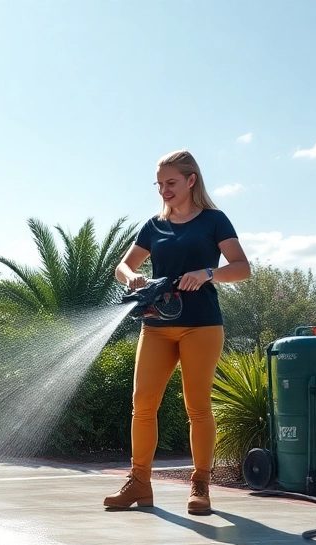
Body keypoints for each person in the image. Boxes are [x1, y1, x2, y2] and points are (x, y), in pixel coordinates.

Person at [104, 150, 251, 515]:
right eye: (159, 184)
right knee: (143, 405)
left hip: (201, 326)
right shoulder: (153, 226)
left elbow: (242, 267)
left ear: (191, 180)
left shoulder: (214, 221)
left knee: (197, 407)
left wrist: (208, 273)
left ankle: (201, 483)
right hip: (156, 327)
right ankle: (139, 483)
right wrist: (132, 276)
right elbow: (122, 266)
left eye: (171, 183)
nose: (164, 190)